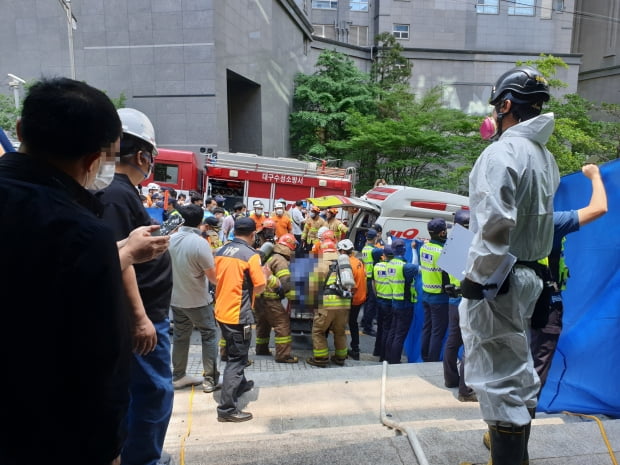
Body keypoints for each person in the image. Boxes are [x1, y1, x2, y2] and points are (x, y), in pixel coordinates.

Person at [0, 77, 130, 465]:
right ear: (93, 160)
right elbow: (101, 364)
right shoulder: (83, 235)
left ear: (20, 130)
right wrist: (109, 450)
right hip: (43, 438)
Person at [458, 65, 559, 465]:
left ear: (505, 105)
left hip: (500, 279)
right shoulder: (544, 156)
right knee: (517, 373)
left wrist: (477, 279)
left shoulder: (500, 152)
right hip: (530, 274)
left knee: (501, 381)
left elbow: (496, 222)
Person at [97, 107, 175, 465]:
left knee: (146, 394)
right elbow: (118, 257)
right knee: (151, 395)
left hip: (148, 316)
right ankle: (142, 460)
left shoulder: (119, 192)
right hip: (143, 320)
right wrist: (141, 318)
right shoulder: (115, 194)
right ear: (143, 155)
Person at [530, 163, 608, 389]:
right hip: (545, 304)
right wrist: (594, 176)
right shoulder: (550, 221)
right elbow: (599, 208)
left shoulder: (508, 219)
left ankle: (509, 415)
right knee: (539, 360)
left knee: (520, 357)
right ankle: (523, 415)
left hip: (516, 300)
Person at [214, 217, 266, 422]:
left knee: (234, 351)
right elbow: (260, 286)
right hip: (238, 315)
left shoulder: (221, 250)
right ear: (253, 234)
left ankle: (241, 384)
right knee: (237, 359)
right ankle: (226, 409)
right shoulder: (251, 256)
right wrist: (265, 275)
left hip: (221, 311)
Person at [168, 204, 221, 393]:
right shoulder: (200, 243)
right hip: (198, 301)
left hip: (175, 299)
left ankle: (179, 375)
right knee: (209, 335)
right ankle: (210, 379)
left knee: (181, 337)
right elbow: (213, 278)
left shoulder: (170, 239)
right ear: (201, 222)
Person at [442, 209, 477, 402]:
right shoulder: (472, 245)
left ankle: (450, 379)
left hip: (452, 301)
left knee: (453, 341)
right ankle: (466, 390)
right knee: (469, 344)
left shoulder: (452, 243)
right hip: (467, 301)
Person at [254, 233, 299, 363]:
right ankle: (283, 355)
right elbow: (285, 282)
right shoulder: (280, 260)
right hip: (271, 299)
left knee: (263, 324)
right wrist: (293, 298)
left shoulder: (270, 256)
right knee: (282, 325)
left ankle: (261, 349)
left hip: (259, 297)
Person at [306, 241, 352, 367]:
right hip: (344, 304)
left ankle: (321, 358)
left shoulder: (320, 264)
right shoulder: (344, 265)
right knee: (340, 331)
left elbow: (312, 288)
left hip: (327, 304)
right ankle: (340, 357)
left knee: (318, 331)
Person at [419, 218, 451, 362]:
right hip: (439, 298)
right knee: (437, 332)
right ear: (442, 232)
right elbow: (448, 276)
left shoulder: (424, 247)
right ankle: (432, 361)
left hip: (426, 294)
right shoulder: (443, 251)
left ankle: (424, 355)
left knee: (427, 328)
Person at [384, 239, 418, 364]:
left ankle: (388, 357)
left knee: (393, 331)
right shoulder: (405, 267)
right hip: (405, 304)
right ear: (404, 250)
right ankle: (395, 360)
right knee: (400, 334)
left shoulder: (390, 264)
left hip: (395, 302)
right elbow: (416, 267)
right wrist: (414, 250)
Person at [341, 239, 367, 361]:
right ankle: (355, 349)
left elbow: (348, 284)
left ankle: (344, 349)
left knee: (342, 323)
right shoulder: (358, 261)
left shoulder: (347, 264)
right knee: (353, 323)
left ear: (342, 251)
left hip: (353, 297)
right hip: (360, 297)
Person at [373, 246, 393, 361]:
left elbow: (373, 283)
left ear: (384, 255)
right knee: (387, 329)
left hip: (379, 299)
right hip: (389, 302)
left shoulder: (377, 266)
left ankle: (377, 350)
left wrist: (377, 295)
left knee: (380, 327)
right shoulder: (393, 267)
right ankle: (384, 356)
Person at [360, 228, 381, 336]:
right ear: (374, 238)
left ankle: (364, 322)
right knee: (371, 304)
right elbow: (387, 250)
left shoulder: (365, 248)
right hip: (372, 279)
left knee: (368, 303)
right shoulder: (374, 250)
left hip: (366, 278)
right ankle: (367, 327)